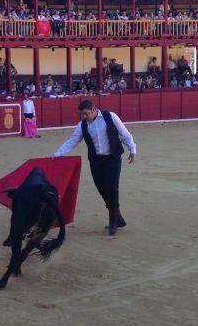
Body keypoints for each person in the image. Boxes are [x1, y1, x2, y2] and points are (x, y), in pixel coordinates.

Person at [53, 99, 136, 236]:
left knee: (111, 187)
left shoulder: (110, 116)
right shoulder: (82, 125)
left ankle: (113, 220)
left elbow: (125, 134)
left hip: (112, 158)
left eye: (85, 113)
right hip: (96, 160)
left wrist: (132, 149)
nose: (83, 117)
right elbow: (72, 141)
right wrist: (58, 154)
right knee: (102, 189)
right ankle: (118, 216)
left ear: (93, 109)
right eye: (82, 114)